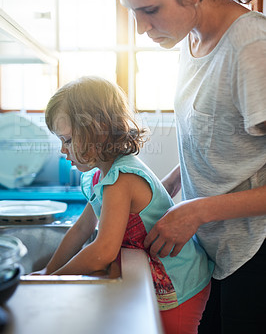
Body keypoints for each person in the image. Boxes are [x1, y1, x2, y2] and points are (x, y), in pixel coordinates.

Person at [112, 0, 266, 333]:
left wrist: (195, 212)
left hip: (255, 250)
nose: (142, 28)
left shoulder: (251, 47)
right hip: (217, 249)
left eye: (150, 10)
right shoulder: (190, 38)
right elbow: (219, 138)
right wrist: (168, 187)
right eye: (133, 11)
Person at [40, 76, 213, 334]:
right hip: (160, 280)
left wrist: (55, 281)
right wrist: (46, 273)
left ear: (97, 132)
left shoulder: (121, 180)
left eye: (67, 140)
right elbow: (81, 229)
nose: (63, 151)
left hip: (179, 286)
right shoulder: (103, 175)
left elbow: (103, 251)